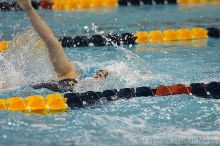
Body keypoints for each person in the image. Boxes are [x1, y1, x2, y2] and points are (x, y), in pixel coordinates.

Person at [0, 0, 109, 92]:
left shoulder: (67, 71)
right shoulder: (68, 72)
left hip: (57, 85)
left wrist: (28, 9)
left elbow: (50, 39)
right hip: (61, 86)